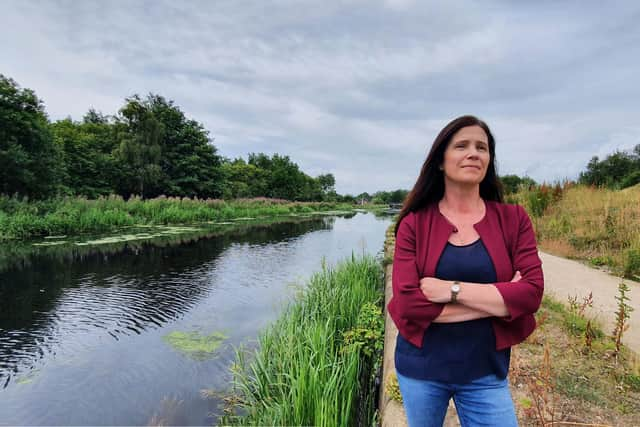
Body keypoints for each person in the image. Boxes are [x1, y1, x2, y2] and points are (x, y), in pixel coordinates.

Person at [387, 115, 544, 427]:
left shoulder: (513, 219)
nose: (474, 153)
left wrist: (451, 290)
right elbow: (408, 306)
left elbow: (530, 294)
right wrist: (500, 303)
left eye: (482, 147)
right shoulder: (414, 224)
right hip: (421, 369)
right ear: (441, 161)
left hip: (485, 370)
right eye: (462, 145)